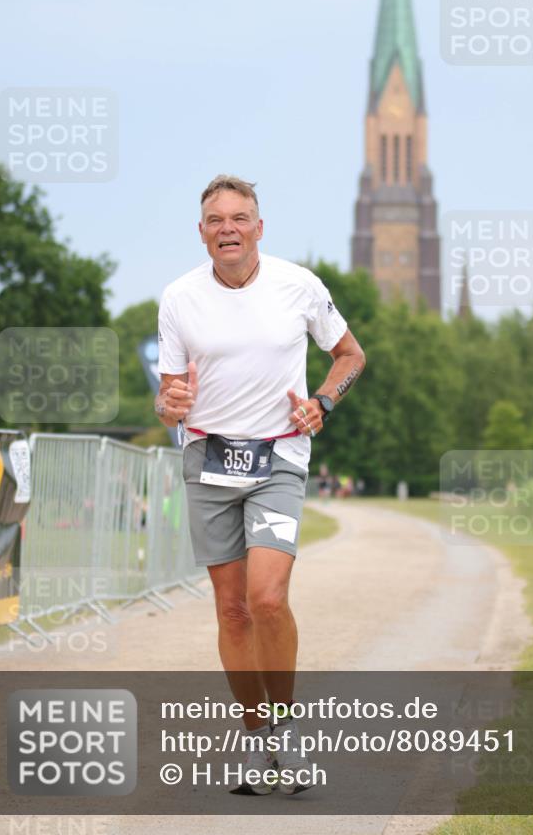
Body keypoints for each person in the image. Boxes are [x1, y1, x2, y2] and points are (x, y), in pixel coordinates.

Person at [154, 175, 366, 795]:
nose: (228, 228)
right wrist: (169, 404)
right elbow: (167, 401)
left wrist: (324, 402)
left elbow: (350, 355)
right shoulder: (178, 298)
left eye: (239, 217)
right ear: (202, 232)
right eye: (216, 220)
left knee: (268, 598)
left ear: (259, 228)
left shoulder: (299, 285)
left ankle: (287, 731)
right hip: (208, 461)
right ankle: (255, 738)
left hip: (277, 460)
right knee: (233, 609)